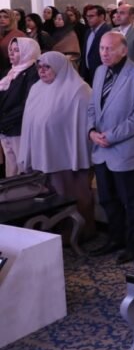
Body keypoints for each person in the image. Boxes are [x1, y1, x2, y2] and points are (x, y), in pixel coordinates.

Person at [87, 32, 134, 264]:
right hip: (102, 149)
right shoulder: (99, 71)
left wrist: (112, 136)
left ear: (123, 50)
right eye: (102, 48)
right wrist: (91, 131)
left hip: (127, 150)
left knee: (132, 201)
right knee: (108, 199)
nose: (104, 53)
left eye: (110, 48)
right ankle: (116, 238)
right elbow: (92, 106)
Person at [21, 51, 95, 235]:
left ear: (60, 67)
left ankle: (78, 235)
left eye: (47, 67)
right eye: (39, 67)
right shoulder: (36, 88)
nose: (42, 71)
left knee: (70, 194)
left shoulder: (79, 89)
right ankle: (51, 236)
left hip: (68, 158)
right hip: (41, 153)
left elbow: (87, 124)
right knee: (46, 197)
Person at [0, 37, 41, 176]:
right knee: (11, 169)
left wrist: (5, 120)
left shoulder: (33, 73)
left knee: (23, 168)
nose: (11, 53)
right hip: (5, 128)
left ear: (28, 52)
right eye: (10, 50)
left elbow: (28, 103)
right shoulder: (11, 72)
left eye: (16, 50)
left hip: (19, 128)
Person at [79, 5, 111, 84]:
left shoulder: (108, 31)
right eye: (87, 16)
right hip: (88, 73)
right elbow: (85, 54)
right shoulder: (88, 32)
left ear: (101, 16)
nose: (88, 19)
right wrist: (82, 73)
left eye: (91, 16)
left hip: (103, 73)